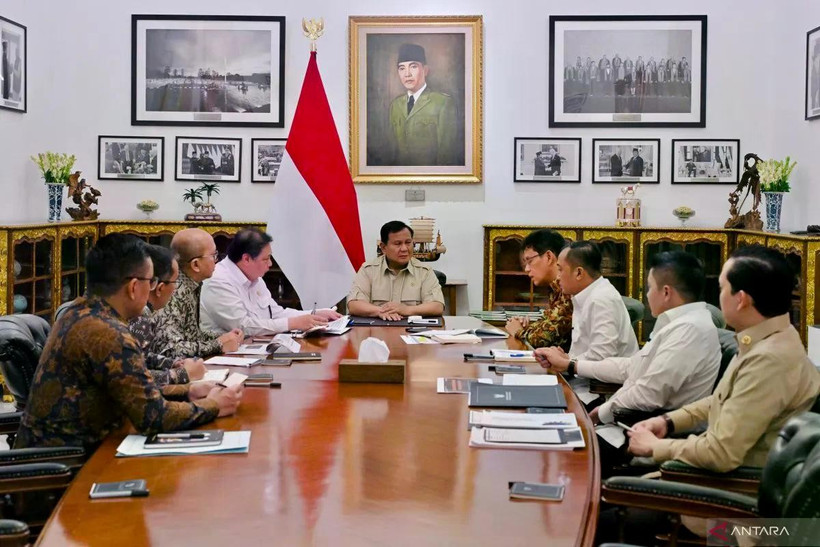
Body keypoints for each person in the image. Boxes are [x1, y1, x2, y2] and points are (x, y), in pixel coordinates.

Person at [14, 234, 243, 452]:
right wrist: (214, 404)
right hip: (71, 464)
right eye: (151, 281)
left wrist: (188, 391)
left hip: (76, 448)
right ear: (134, 287)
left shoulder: (81, 311)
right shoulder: (106, 333)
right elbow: (153, 417)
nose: (154, 287)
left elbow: (133, 391)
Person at [628, 245, 820, 472]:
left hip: (730, 484)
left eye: (722, 288)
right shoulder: (768, 338)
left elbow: (721, 454)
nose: (719, 297)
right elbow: (724, 399)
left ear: (741, 299)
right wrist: (668, 421)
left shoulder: (770, 359)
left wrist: (655, 446)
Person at [542, 251, 720, 426]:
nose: (647, 295)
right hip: (628, 416)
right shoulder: (677, 323)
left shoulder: (690, 330)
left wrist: (600, 413)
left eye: (650, 288)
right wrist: (570, 364)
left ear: (666, 293)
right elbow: (632, 366)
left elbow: (648, 393)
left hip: (648, 428)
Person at [200, 228, 340, 336]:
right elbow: (243, 327)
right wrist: (293, 323)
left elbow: (276, 314)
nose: (270, 264)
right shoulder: (218, 281)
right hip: (225, 356)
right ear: (246, 259)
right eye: (266, 259)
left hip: (254, 349)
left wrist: (314, 315)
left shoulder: (255, 278)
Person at [535, 241, 638, 368]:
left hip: (602, 380)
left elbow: (602, 358)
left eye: (560, 270)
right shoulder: (585, 295)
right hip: (583, 376)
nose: (558, 276)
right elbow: (586, 354)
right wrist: (564, 358)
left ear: (579, 273)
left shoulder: (602, 300)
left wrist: (566, 362)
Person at [150, 229, 243, 359]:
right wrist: (218, 344)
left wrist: (225, 337)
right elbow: (169, 350)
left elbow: (192, 336)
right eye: (213, 255)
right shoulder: (173, 290)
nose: (216, 260)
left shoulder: (192, 284)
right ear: (196, 265)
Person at [130, 245, 206, 385]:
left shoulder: (144, 312)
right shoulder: (139, 317)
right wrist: (182, 374)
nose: (176, 288)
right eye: (175, 281)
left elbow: (141, 356)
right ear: (159, 288)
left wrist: (172, 363)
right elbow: (133, 378)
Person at [348, 221, 445, 321]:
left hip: (412, 329)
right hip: (377, 328)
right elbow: (354, 305)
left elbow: (437, 306)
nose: (404, 249)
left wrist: (406, 310)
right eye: (397, 244)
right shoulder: (368, 270)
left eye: (408, 243)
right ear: (383, 247)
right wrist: (380, 311)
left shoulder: (424, 271)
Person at [388, 43, 460, 166]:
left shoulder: (443, 103)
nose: (407, 74)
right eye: (402, 68)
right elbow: (392, 151)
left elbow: (447, 155)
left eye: (413, 67)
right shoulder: (395, 105)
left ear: (425, 70)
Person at [504, 229, 572, 350]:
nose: (526, 269)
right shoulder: (555, 288)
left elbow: (544, 338)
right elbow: (548, 323)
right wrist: (526, 328)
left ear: (549, 257)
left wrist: (518, 331)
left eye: (530, 261)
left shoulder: (568, 287)